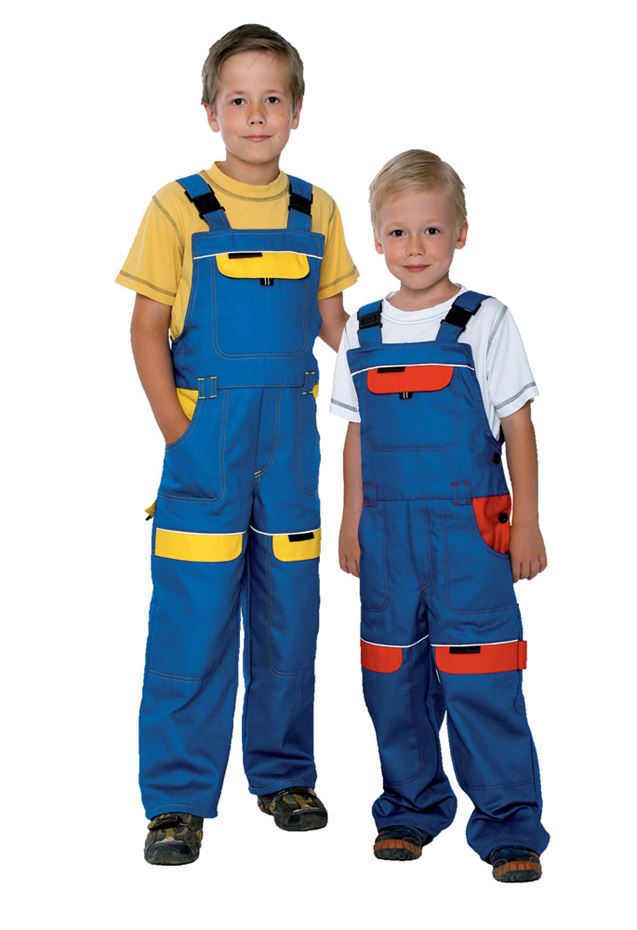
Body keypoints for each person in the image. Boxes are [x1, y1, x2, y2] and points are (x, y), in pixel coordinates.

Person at [116, 23, 358, 865]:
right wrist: (177, 433)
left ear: (296, 110)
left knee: (290, 618)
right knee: (192, 624)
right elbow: (145, 328)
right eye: (238, 100)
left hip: (289, 449)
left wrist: (405, 357)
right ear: (210, 111)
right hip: (205, 447)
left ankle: (283, 776)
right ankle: (176, 802)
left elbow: (333, 323)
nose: (256, 115)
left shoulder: (315, 210)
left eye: (272, 99)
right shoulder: (177, 207)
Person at [331, 149, 549, 882]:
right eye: (397, 233)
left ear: (460, 232)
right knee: (391, 676)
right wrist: (350, 520)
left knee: (481, 673)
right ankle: (409, 808)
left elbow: (517, 426)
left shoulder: (484, 320)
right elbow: (355, 433)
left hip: (470, 536)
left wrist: (527, 522)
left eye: (431, 230)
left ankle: (509, 824)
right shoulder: (362, 328)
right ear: (376, 239)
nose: (414, 247)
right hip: (386, 537)